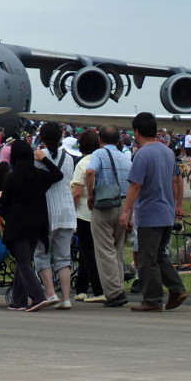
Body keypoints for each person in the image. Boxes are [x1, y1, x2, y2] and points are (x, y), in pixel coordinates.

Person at [119, 112, 188, 312]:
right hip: (166, 211)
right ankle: (176, 288)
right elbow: (176, 180)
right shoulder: (167, 152)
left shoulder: (142, 154)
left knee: (147, 258)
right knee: (159, 256)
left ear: (137, 131)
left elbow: (135, 186)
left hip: (150, 213)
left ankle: (152, 299)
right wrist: (176, 204)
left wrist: (126, 212)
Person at [0, 140, 63, 312]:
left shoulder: (12, 177)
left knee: (23, 262)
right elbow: (58, 175)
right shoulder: (39, 175)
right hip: (37, 223)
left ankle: (38, 297)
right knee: (23, 261)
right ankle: (19, 300)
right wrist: (44, 160)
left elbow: (5, 202)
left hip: (18, 224)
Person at [84, 125, 133, 307]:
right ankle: (118, 285)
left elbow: (90, 171)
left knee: (105, 249)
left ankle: (114, 292)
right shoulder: (126, 158)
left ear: (100, 140)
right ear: (119, 141)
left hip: (104, 205)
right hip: (123, 205)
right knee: (117, 248)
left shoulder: (99, 154)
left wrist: (90, 195)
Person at [33, 122, 77, 309]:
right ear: (60, 138)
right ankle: (66, 297)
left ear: (41, 138)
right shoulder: (69, 159)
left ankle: (50, 293)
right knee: (63, 257)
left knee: (40, 253)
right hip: (67, 210)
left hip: (47, 210)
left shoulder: (37, 158)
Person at [69, 131, 103, 302]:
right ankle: (81, 288)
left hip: (83, 213)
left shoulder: (82, 163)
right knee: (85, 252)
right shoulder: (101, 160)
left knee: (88, 252)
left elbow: (76, 192)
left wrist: (70, 213)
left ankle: (98, 289)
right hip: (101, 211)